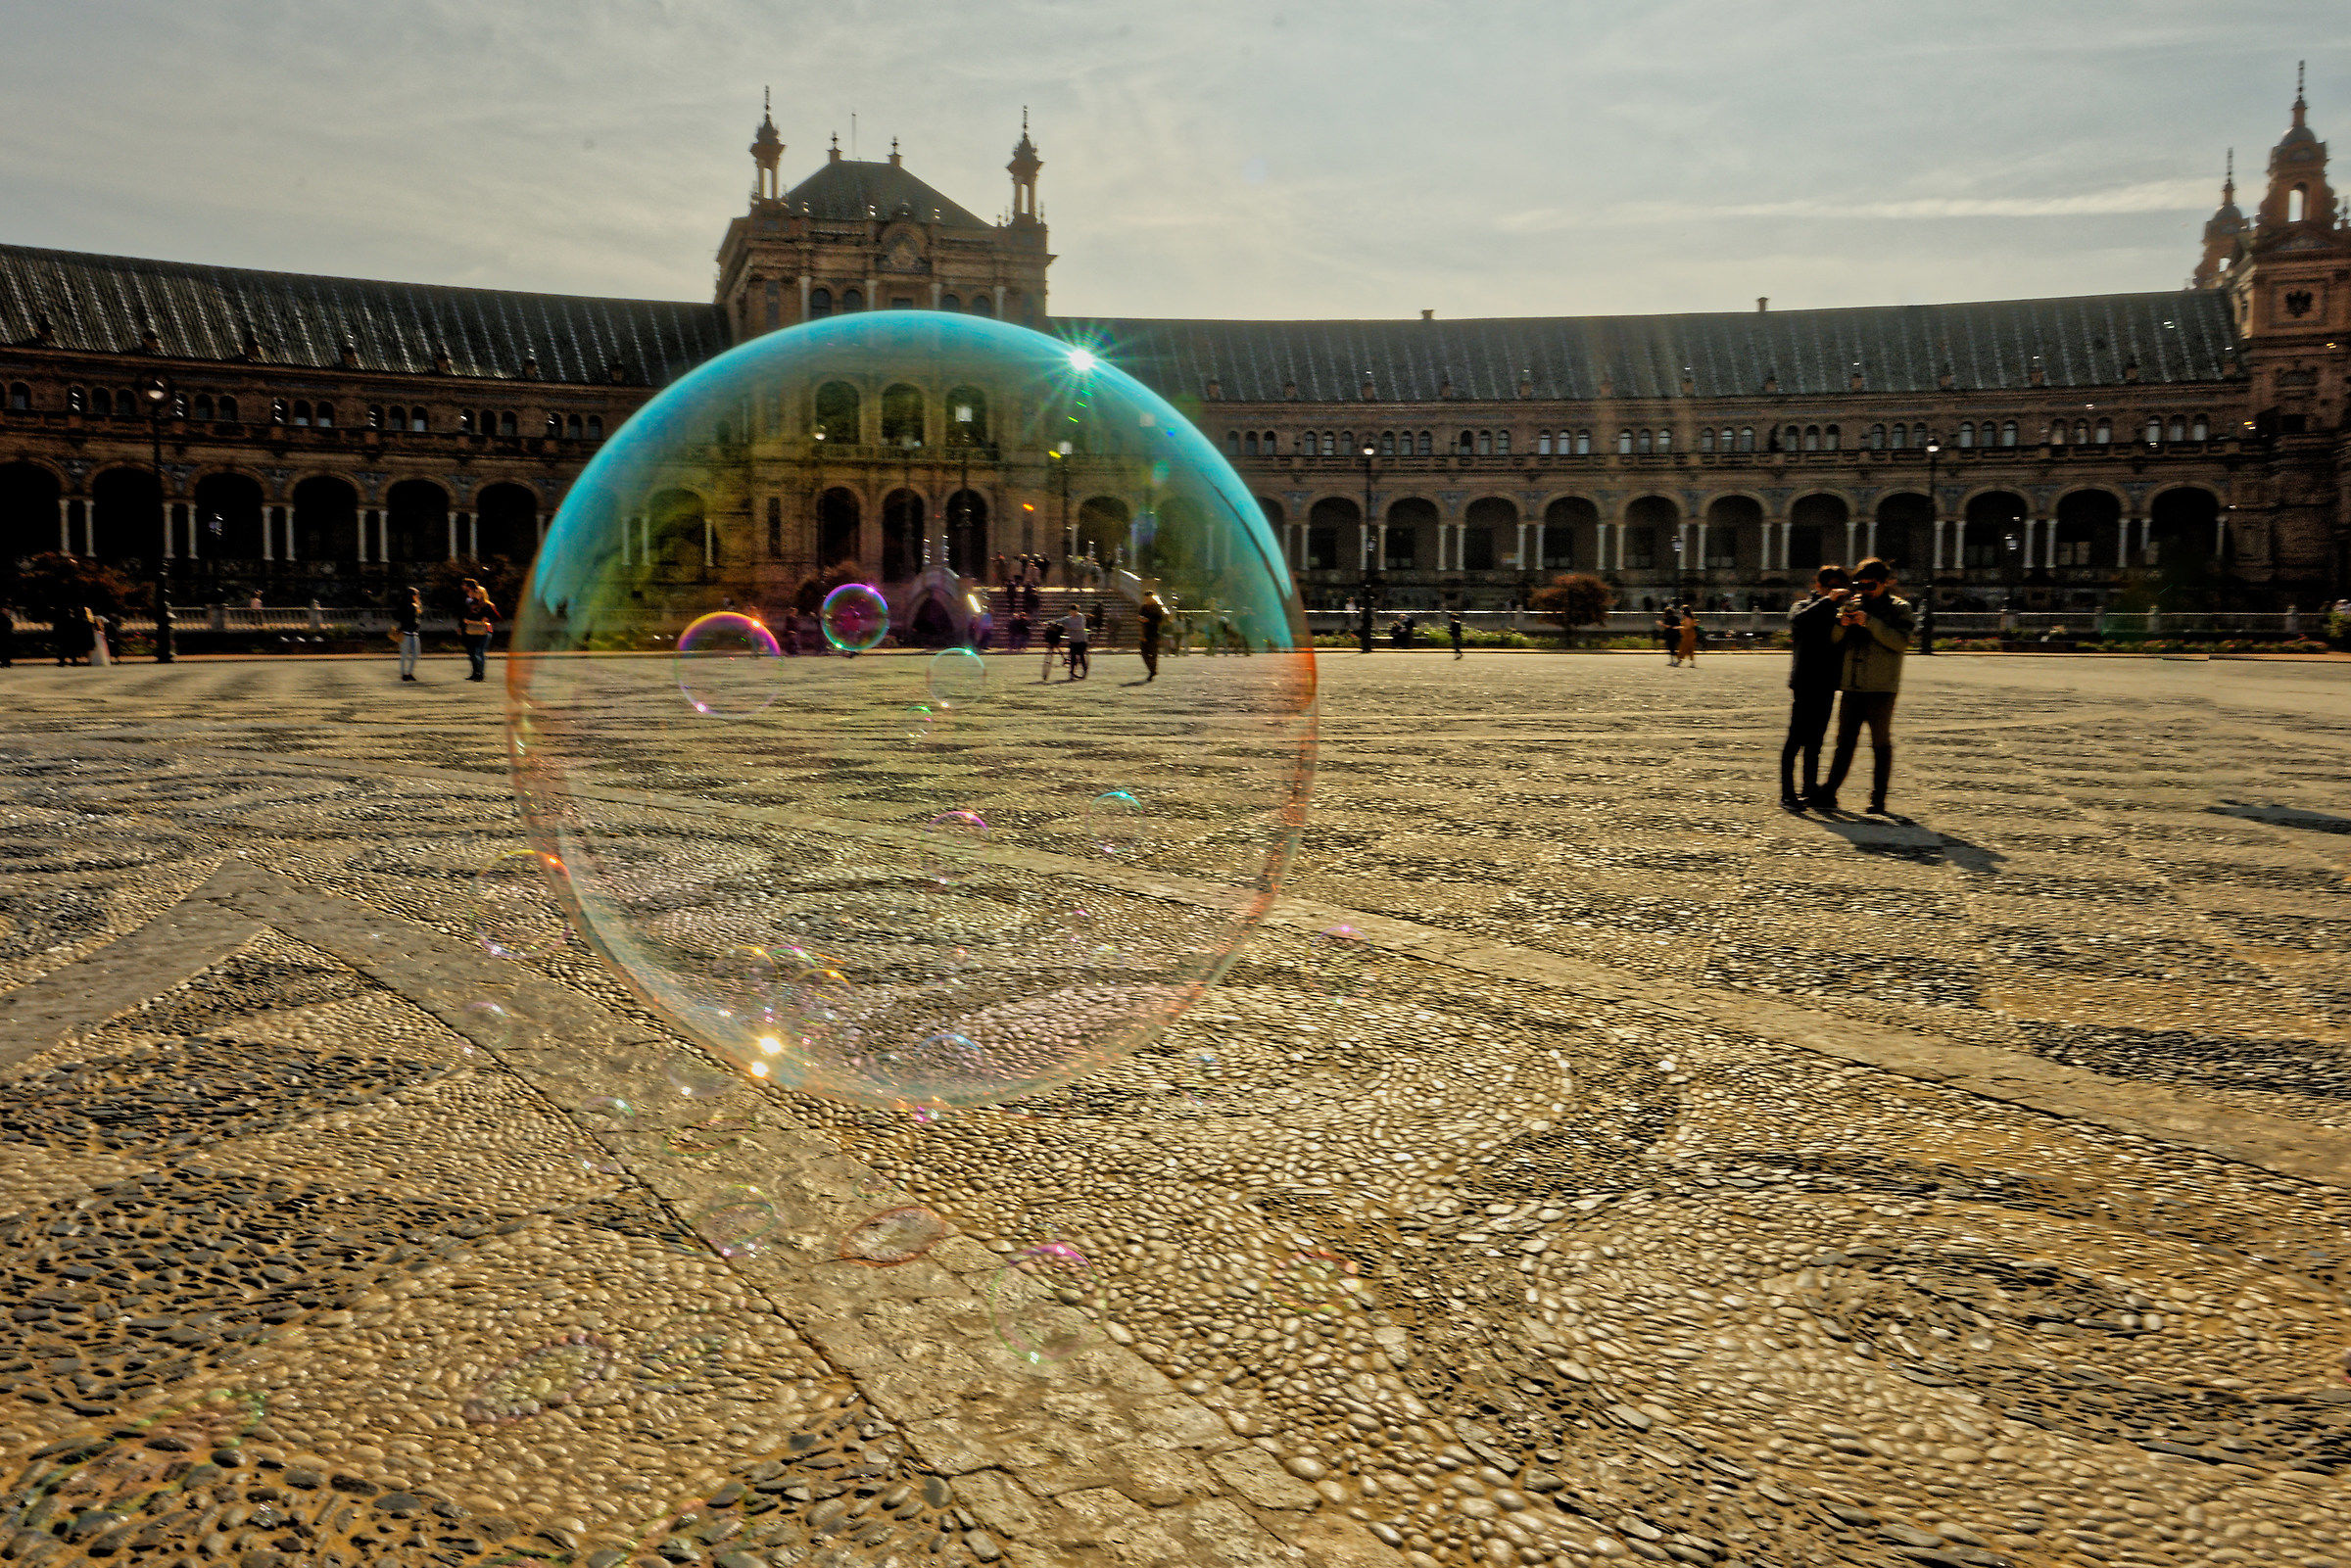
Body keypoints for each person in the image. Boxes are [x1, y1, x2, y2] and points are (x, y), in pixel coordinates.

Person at [1814, 557, 1914, 816]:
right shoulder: (1852, 604)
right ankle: (1829, 791)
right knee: (1844, 742)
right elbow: (1833, 640)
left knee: (1880, 743)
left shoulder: (1899, 609)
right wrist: (1842, 624)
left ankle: (1878, 799)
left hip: (1881, 687)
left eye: (1871, 585)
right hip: (1852, 685)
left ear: (1884, 583)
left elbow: (1900, 643)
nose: (1865, 590)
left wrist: (1870, 622)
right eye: (1860, 585)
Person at [1779, 564, 1850, 811]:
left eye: (1839, 587)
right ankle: (1787, 792)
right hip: (1805, 682)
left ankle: (1809, 789)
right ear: (1818, 586)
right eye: (1831, 587)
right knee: (1795, 739)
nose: (1835, 591)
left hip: (1827, 683)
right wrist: (1828, 601)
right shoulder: (1803, 606)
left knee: (1816, 741)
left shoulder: (1840, 612)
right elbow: (1798, 621)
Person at [458, 578, 497, 683]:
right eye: (475, 592)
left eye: (478, 592)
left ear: (483, 594)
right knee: (472, 653)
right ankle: (475, 673)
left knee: (478, 652)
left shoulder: (488, 606)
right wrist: (464, 624)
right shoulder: (472, 604)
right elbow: (466, 615)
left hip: (484, 631)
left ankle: (480, 673)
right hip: (472, 631)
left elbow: (486, 620)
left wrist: (470, 621)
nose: (475, 594)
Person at [1137, 591, 1167, 681]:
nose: (1147, 600)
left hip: (1154, 633)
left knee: (1153, 654)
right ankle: (1152, 670)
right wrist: (1140, 619)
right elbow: (1140, 618)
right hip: (1144, 634)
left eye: (1148, 598)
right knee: (1144, 654)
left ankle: (1152, 671)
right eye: (1146, 598)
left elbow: (1160, 620)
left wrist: (1149, 620)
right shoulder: (1143, 607)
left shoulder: (1157, 608)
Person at [396, 588, 423, 681]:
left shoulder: (416, 605)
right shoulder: (406, 605)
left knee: (416, 653)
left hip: (414, 632)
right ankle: (404, 674)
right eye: (416, 594)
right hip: (406, 632)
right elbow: (402, 617)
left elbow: (418, 617)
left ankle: (409, 673)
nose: (418, 596)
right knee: (404, 654)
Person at [1061, 604, 1090, 680]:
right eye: (1071, 611)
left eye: (1073, 611)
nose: (1072, 613)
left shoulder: (1081, 617)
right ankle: (1071, 672)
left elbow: (1080, 626)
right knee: (1073, 656)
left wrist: (1068, 628)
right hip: (1073, 640)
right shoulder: (1069, 618)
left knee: (1081, 656)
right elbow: (1060, 620)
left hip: (1081, 640)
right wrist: (1050, 622)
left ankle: (1084, 669)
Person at [1040, 612, 1063, 681]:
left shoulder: (1059, 627)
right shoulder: (1049, 629)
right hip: (1052, 639)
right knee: (1054, 646)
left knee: (1055, 646)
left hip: (1056, 638)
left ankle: (1062, 656)